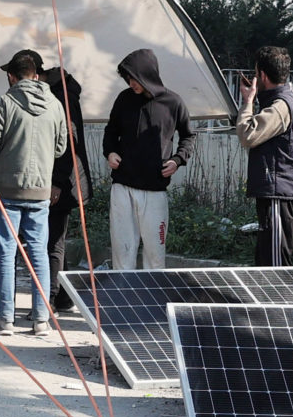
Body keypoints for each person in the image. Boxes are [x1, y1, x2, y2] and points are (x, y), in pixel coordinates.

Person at [0, 49, 70, 337]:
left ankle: (5, 320)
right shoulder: (55, 105)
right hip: (40, 190)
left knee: (7, 252)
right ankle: (41, 320)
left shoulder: (3, 102)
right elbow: (60, 148)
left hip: (6, 188)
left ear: (11, 76)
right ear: (38, 75)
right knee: (39, 253)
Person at [103, 48, 188, 270]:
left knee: (155, 253)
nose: (131, 83)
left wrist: (178, 159)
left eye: (134, 77)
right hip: (122, 186)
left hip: (155, 188)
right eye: (127, 78)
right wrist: (110, 152)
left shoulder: (174, 102)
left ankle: (154, 302)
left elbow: (188, 136)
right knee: (122, 250)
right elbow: (111, 131)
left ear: (147, 73)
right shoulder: (124, 99)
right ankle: (123, 301)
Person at [236, 45, 293, 266]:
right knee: (268, 260)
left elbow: (248, 135)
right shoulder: (283, 102)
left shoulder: (280, 106)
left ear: (262, 75)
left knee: (274, 267)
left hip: (278, 194)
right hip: (279, 193)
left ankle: (279, 302)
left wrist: (247, 102)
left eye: (256, 73)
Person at [44, 60, 91, 313]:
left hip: (63, 182)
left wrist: (57, 182)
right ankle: (63, 297)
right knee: (55, 240)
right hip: (66, 180)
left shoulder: (61, 99)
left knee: (53, 242)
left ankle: (51, 299)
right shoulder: (65, 95)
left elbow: (67, 145)